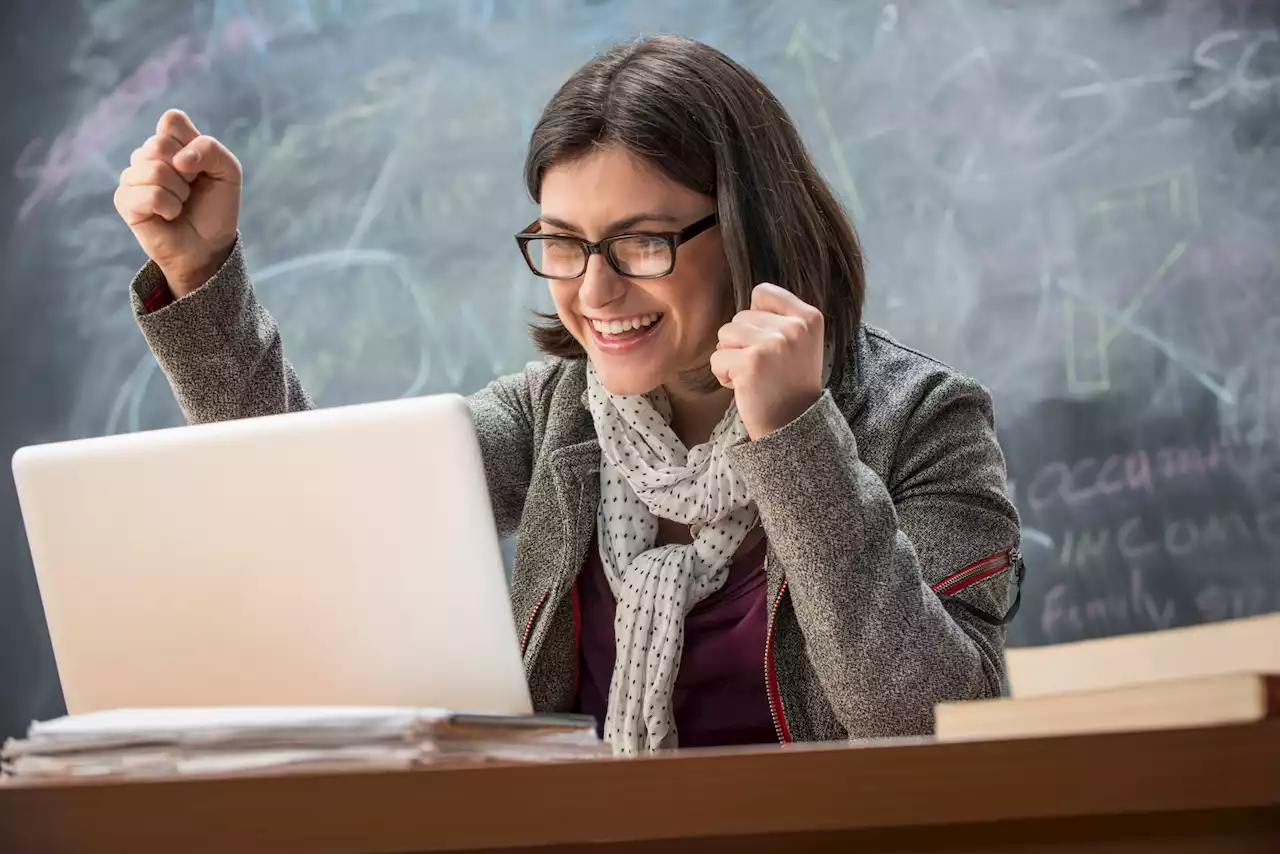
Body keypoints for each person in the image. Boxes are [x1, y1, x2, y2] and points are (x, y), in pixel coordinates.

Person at [114, 35, 1023, 755]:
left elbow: (932, 729)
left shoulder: (924, 421)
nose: (593, 293)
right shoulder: (554, 416)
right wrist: (197, 271)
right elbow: (312, 503)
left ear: (748, 228)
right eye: (561, 243)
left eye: (640, 242)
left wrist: (793, 439)